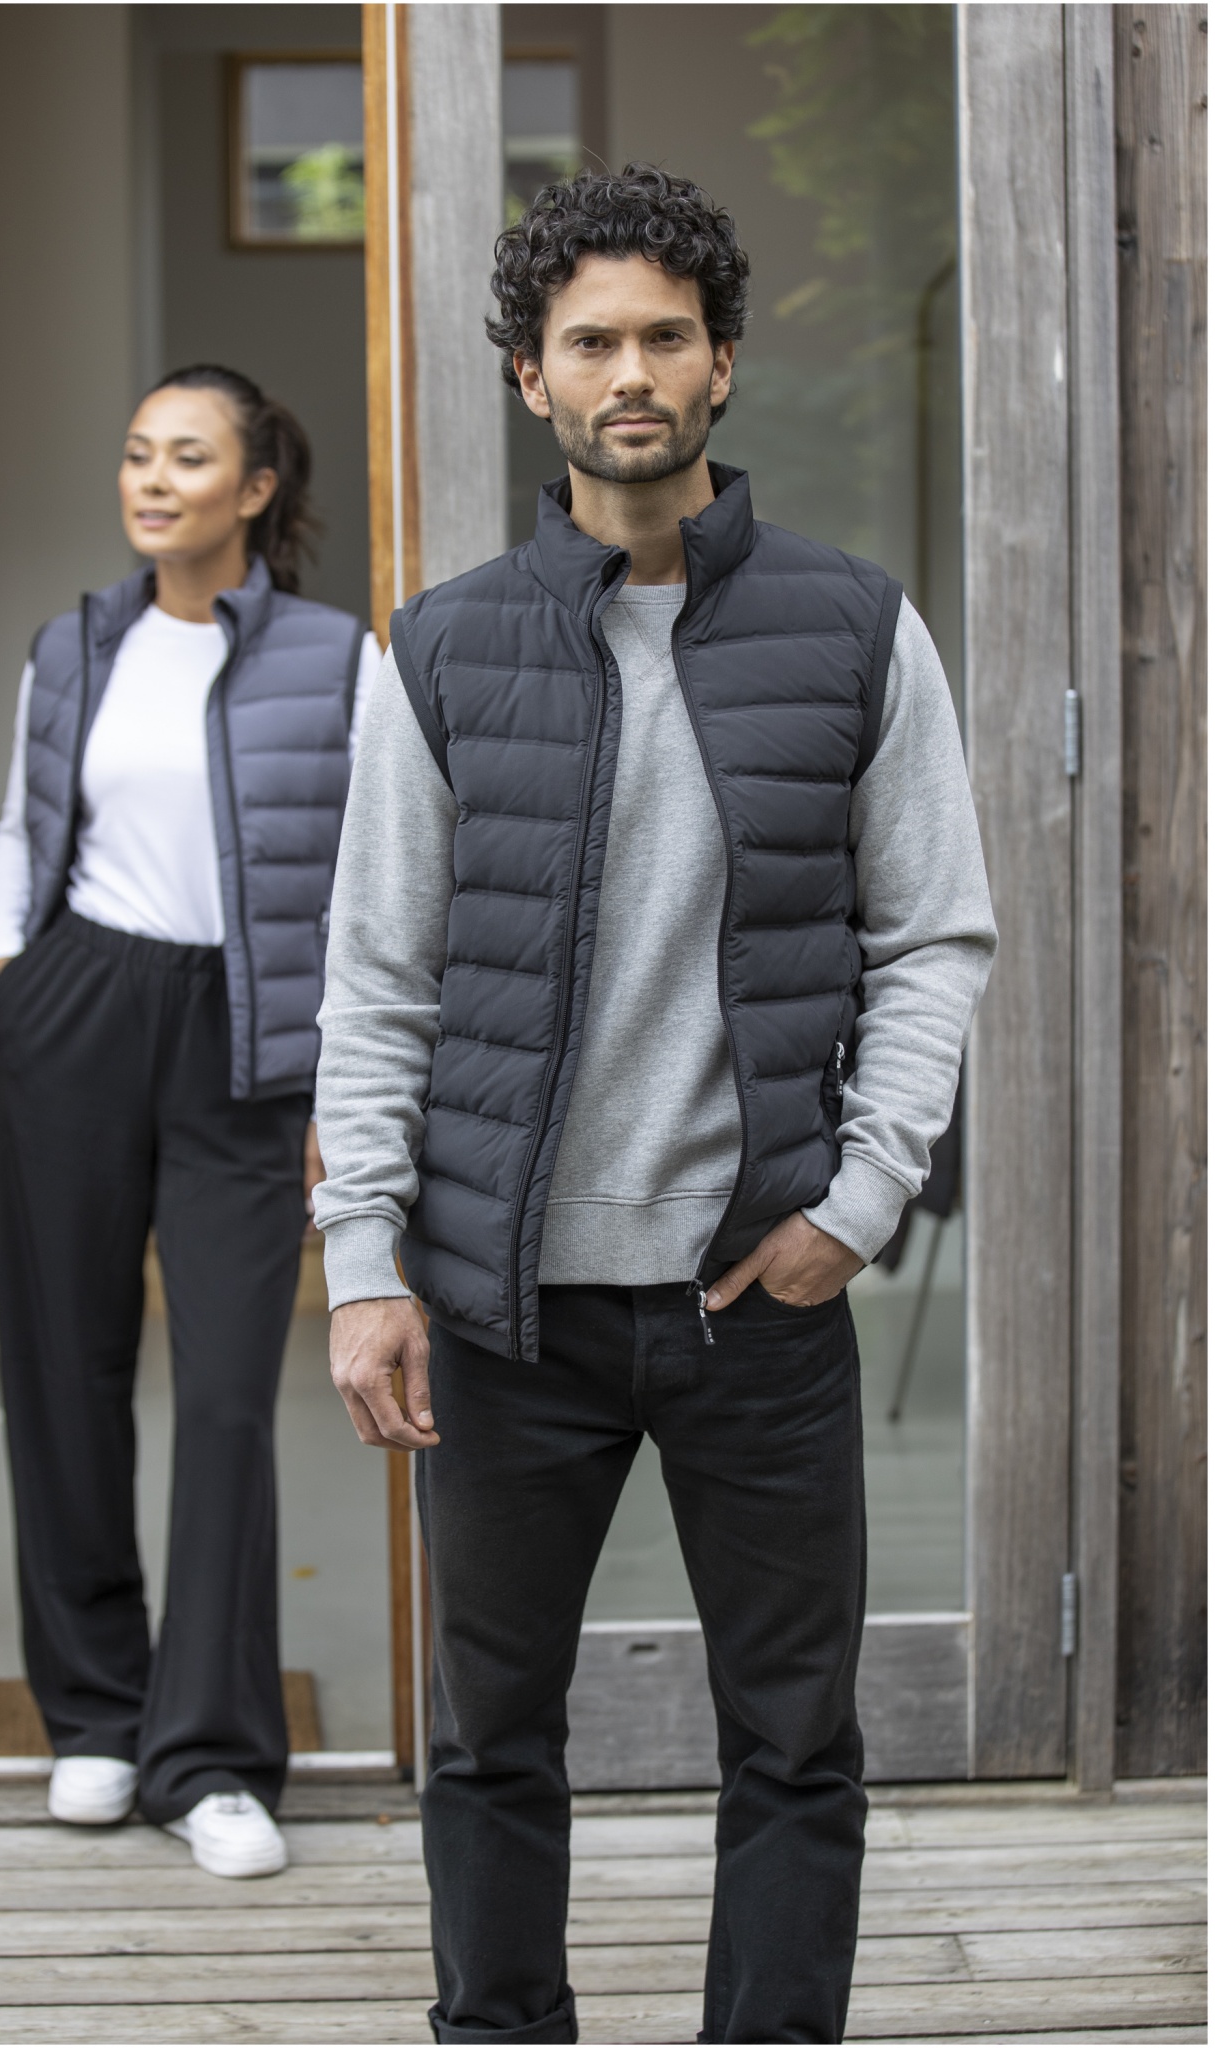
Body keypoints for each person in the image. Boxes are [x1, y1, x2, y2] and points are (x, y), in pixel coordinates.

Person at [311, 168, 998, 2042]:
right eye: (591, 341)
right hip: (503, 1307)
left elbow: (933, 935)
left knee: (794, 1739)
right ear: (530, 376)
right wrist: (364, 1259)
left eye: (666, 337)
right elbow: (377, 979)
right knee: (490, 1737)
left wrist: (857, 1203)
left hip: (753, 1290)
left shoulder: (856, 629)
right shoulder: (441, 648)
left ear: (722, 364)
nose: (631, 373)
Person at [0, 364, 379, 1879]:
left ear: (256, 488)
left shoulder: (338, 659)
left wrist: (348, 1078)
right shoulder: (75, 643)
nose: (151, 480)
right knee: (63, 1373)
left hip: (242, 1040)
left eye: (187, 457)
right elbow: (21, 828)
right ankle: (92, 1717)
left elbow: (374, 879)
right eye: (138, 453)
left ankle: (210, 1755)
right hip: (78, 1010)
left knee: (223, 1398)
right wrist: (8, 972)